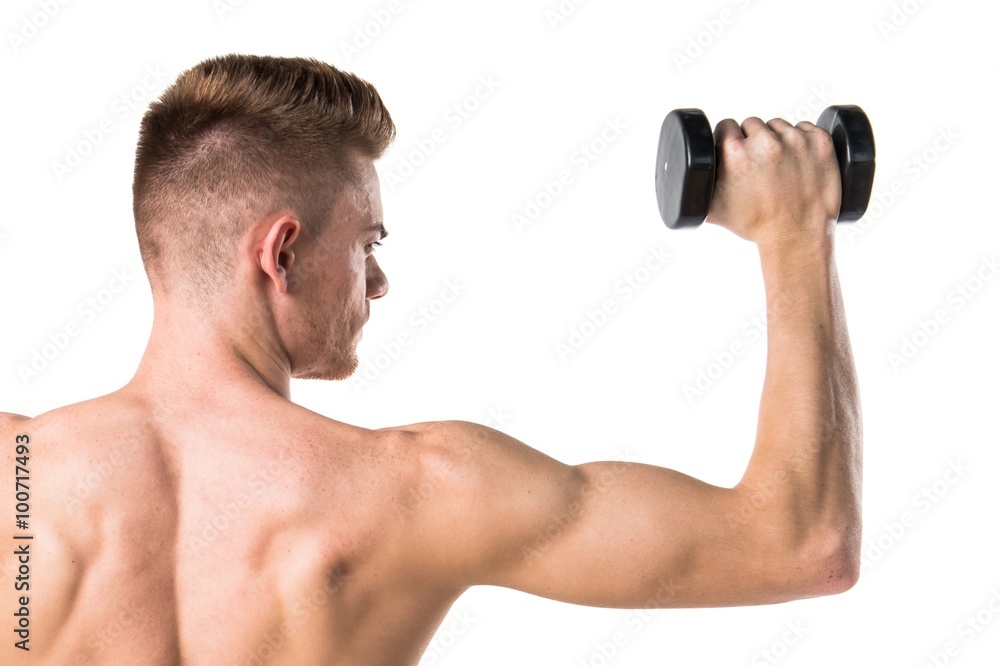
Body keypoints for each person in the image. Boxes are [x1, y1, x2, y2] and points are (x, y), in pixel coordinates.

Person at [2, 54, 861, 665]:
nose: (377, 281)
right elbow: (799, 545)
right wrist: (793, 235)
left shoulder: (15, 475)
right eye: (367, 242)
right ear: (282, 253)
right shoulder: (416, 489)